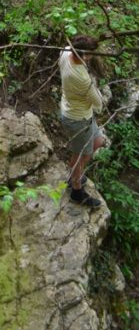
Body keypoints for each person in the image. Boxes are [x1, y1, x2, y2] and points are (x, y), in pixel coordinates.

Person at [59, 35, 106, 209]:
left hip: (78, 112)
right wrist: (95, 89)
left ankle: (74, 172)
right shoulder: (82, 79)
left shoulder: (65, 52)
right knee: (81, 156)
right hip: (77, 119)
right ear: (84, 56)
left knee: (98, 141)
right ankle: (76, 190)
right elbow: (99, 104)